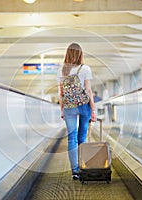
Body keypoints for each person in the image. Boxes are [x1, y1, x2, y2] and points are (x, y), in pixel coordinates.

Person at [57, 43, 97, 180]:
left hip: (69, 106)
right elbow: (88, 90)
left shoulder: (62, 70)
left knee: (72, 138)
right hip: (83, 105)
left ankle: (75, 170)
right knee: (82, 136)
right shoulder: (85, 69)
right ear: (80, 54)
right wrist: (93, 109)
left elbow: (61, 92)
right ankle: (83, 165)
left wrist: (62, 109)